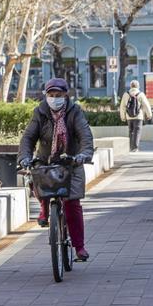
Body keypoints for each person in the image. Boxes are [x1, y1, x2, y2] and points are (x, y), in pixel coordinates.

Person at [19, 77, 94, 261]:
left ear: (65, 95)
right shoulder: (40, 112)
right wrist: (25, 157)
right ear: (46, 96)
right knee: (37, 180)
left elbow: (85, 136)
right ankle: (44, 208)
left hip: (71, 161)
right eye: (51, 95)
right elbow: (28, 138)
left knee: (72, 204)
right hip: (46, 161)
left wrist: (83, 155)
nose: (54, 98)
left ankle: (79, 247)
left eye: (58, 95)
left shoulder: (74, 112)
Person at [119, 79, 152, 152]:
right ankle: (135, 148)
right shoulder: (140, 94)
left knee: (131, 131)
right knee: (137, 131)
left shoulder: (126, 94)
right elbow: (146, 105)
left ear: (130, 86)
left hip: (129, 116)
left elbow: (122, 107)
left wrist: (123, 117)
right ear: (138, 86)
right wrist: (149, 115)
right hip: (138, 116)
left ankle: (131, 147)